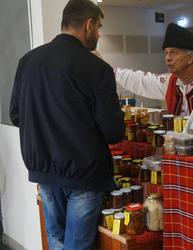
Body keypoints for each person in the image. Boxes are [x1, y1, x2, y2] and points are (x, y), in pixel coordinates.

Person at [9, 0, 124, 249]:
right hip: (84, 172)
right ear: (88, 24)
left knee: (56, 240)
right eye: (99, 27)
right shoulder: (97, 69)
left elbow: (16, 115)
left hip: (44, 170)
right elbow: (114, 131)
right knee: (78, 245)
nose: (100, 34)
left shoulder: (27, 62)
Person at [115, 23, 193, 116]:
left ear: (190, 58)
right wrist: (110, 71)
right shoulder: (170, 81)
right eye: (166, 53)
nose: (168, 58)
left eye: (173, 52)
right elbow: (141, 81)